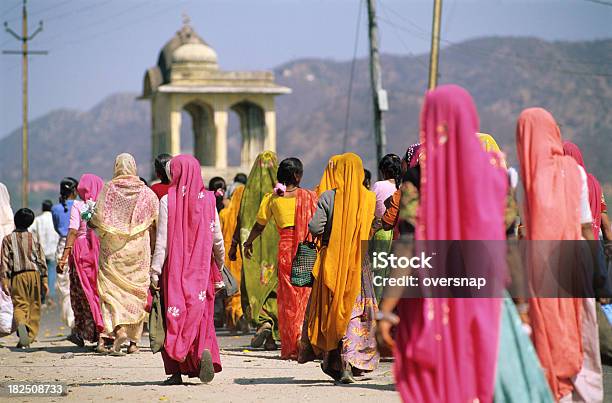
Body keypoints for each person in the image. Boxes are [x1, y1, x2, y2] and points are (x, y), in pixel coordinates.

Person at [376, 85, 551, 403]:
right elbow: (510, 245)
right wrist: (523, 306)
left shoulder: (418, 177)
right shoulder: (497, 177)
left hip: (432, 302)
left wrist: (386, 312)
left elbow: (406, 246)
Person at [516, 109, 603, 402]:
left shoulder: (526, 178)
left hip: (539, 271)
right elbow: (586, 229)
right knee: (582, 337)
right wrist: (598, 273)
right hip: (576, 266)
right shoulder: (575, 171)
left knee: (547, 338)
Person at [150, 154, 224, 385]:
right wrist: (218, 266)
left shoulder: (167, 200)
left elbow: (162, 242)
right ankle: (201, 350)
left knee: (175, 315)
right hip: (203, 271)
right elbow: (218, 240)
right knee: (201, 316)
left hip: (174, 270)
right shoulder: (210, 200)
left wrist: (154, 271)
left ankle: (176, 371)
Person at [306, 153, 379, 383]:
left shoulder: (328, 197)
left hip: (333, 262)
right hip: (359, 263)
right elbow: (375, 225)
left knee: (334, 308)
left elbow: (315, 227)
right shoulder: (369, 199)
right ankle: (351, 361)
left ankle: (337, 361)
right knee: (355, 312)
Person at [242, 158, 317, 360]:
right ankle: (308, 342)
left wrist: (248, 243)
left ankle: (293, 345)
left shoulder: (272, 199)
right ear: (297, 176)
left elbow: (259, 226)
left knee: (288, 297)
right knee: (306, 293)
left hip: (286, 251)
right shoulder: (310, 197)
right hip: (306, 249)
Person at [91, 153, 159, 356]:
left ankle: (119, 329)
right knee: (136, 293)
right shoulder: (147, 193)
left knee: (112, 292)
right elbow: (155, 222)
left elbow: (97, 218)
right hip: (138, 250)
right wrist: (154, 249)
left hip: (113, 252)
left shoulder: (108, 190)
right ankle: (134, 342)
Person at [229, 151, 279, 350]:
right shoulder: (281, 194)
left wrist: (234, 245)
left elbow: (240, 220)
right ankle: (272, 336)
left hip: (252, 250)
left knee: (255, 287)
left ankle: (262, 321)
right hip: (276, 250)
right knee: (274, 289)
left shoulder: (247, 193)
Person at [57, 174, 106, 352]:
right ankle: (103, 333)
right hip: (101, 252)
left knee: (83, 293)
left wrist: (64, 256)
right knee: (99, 292)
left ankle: (83, 330)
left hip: (81, 252)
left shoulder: (78, 205)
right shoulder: (104, 205)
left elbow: (72, 232)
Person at [0, 208, 48, 348]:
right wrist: (44, 279)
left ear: (15, 221)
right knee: (34, 305)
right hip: (34, 275)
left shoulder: (8, 239)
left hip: (17, 276)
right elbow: (41, 259)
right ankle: (30, 336)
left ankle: (21, 325)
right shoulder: (34, 238)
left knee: (20, 305)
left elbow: (5, 262)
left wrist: (5, 281)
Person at [370, 154, 402, 301]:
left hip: (380, 231)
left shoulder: (378, 185)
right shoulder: (402, 187)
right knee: (393, 272)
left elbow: (369, 207)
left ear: (383, 170)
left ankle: (377, 305)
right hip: (397, 233)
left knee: (378, 272)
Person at [219, 179, 248, 332]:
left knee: (230, 288)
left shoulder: (224, 213)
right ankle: (241, 314)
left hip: (227, 253)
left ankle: (232, 321)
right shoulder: (246, 216)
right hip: (241, 255)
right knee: (241, 287)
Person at [52, 177, 78, 332]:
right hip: (78, 245)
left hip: (62, 245)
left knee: (64, 286)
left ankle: (71, 322)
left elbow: (58, 228)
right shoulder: (79, 206)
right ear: (74, 191)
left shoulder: (55, 209)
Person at [30, 200, 59, 304]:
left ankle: (41, 296)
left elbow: (30, 230)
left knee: (41, 274)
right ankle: (50, 296)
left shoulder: (38, 220)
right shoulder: (54, 219)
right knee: (51, 273)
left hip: (40, 251)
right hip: (52, 251)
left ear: (42, 208)